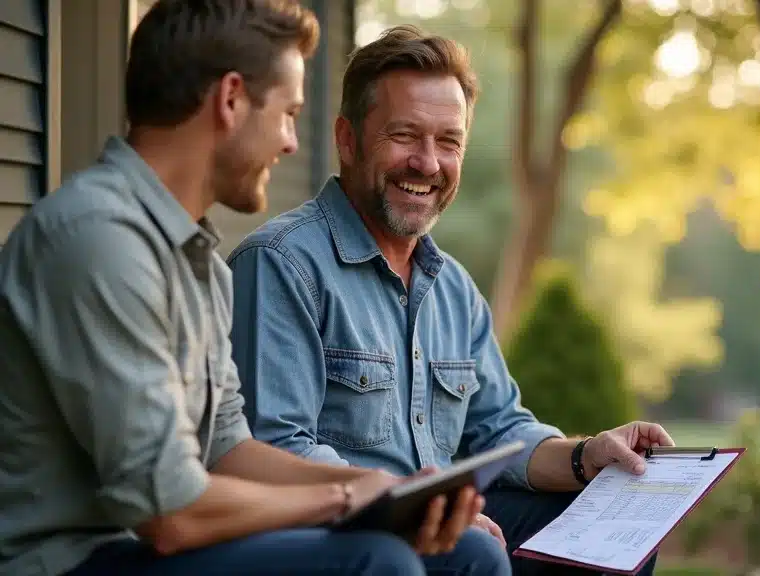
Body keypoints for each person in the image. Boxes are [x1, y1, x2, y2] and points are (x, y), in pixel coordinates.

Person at [0, 3, 507, 576]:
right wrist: (345, 500)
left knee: (470, 556)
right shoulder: (97, 239)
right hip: (73, 561)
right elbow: (170, 512)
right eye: (288, 112)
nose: (291, 143)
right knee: (376, 560)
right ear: (231, 100)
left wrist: (379, 487)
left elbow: (228, 449)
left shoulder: (197, 262)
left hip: (149, 547)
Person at [226, 25, 674, 576]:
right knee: (477, 551)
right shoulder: (280, 263)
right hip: (343, 535)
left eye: (448, 141)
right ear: (348, 139)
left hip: (437, 523)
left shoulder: (453, 288)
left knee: (612, 544)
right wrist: (409, 502)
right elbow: (275, 449)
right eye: (405, 136)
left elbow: (502, 433)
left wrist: (587, 457)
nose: (428, 163)